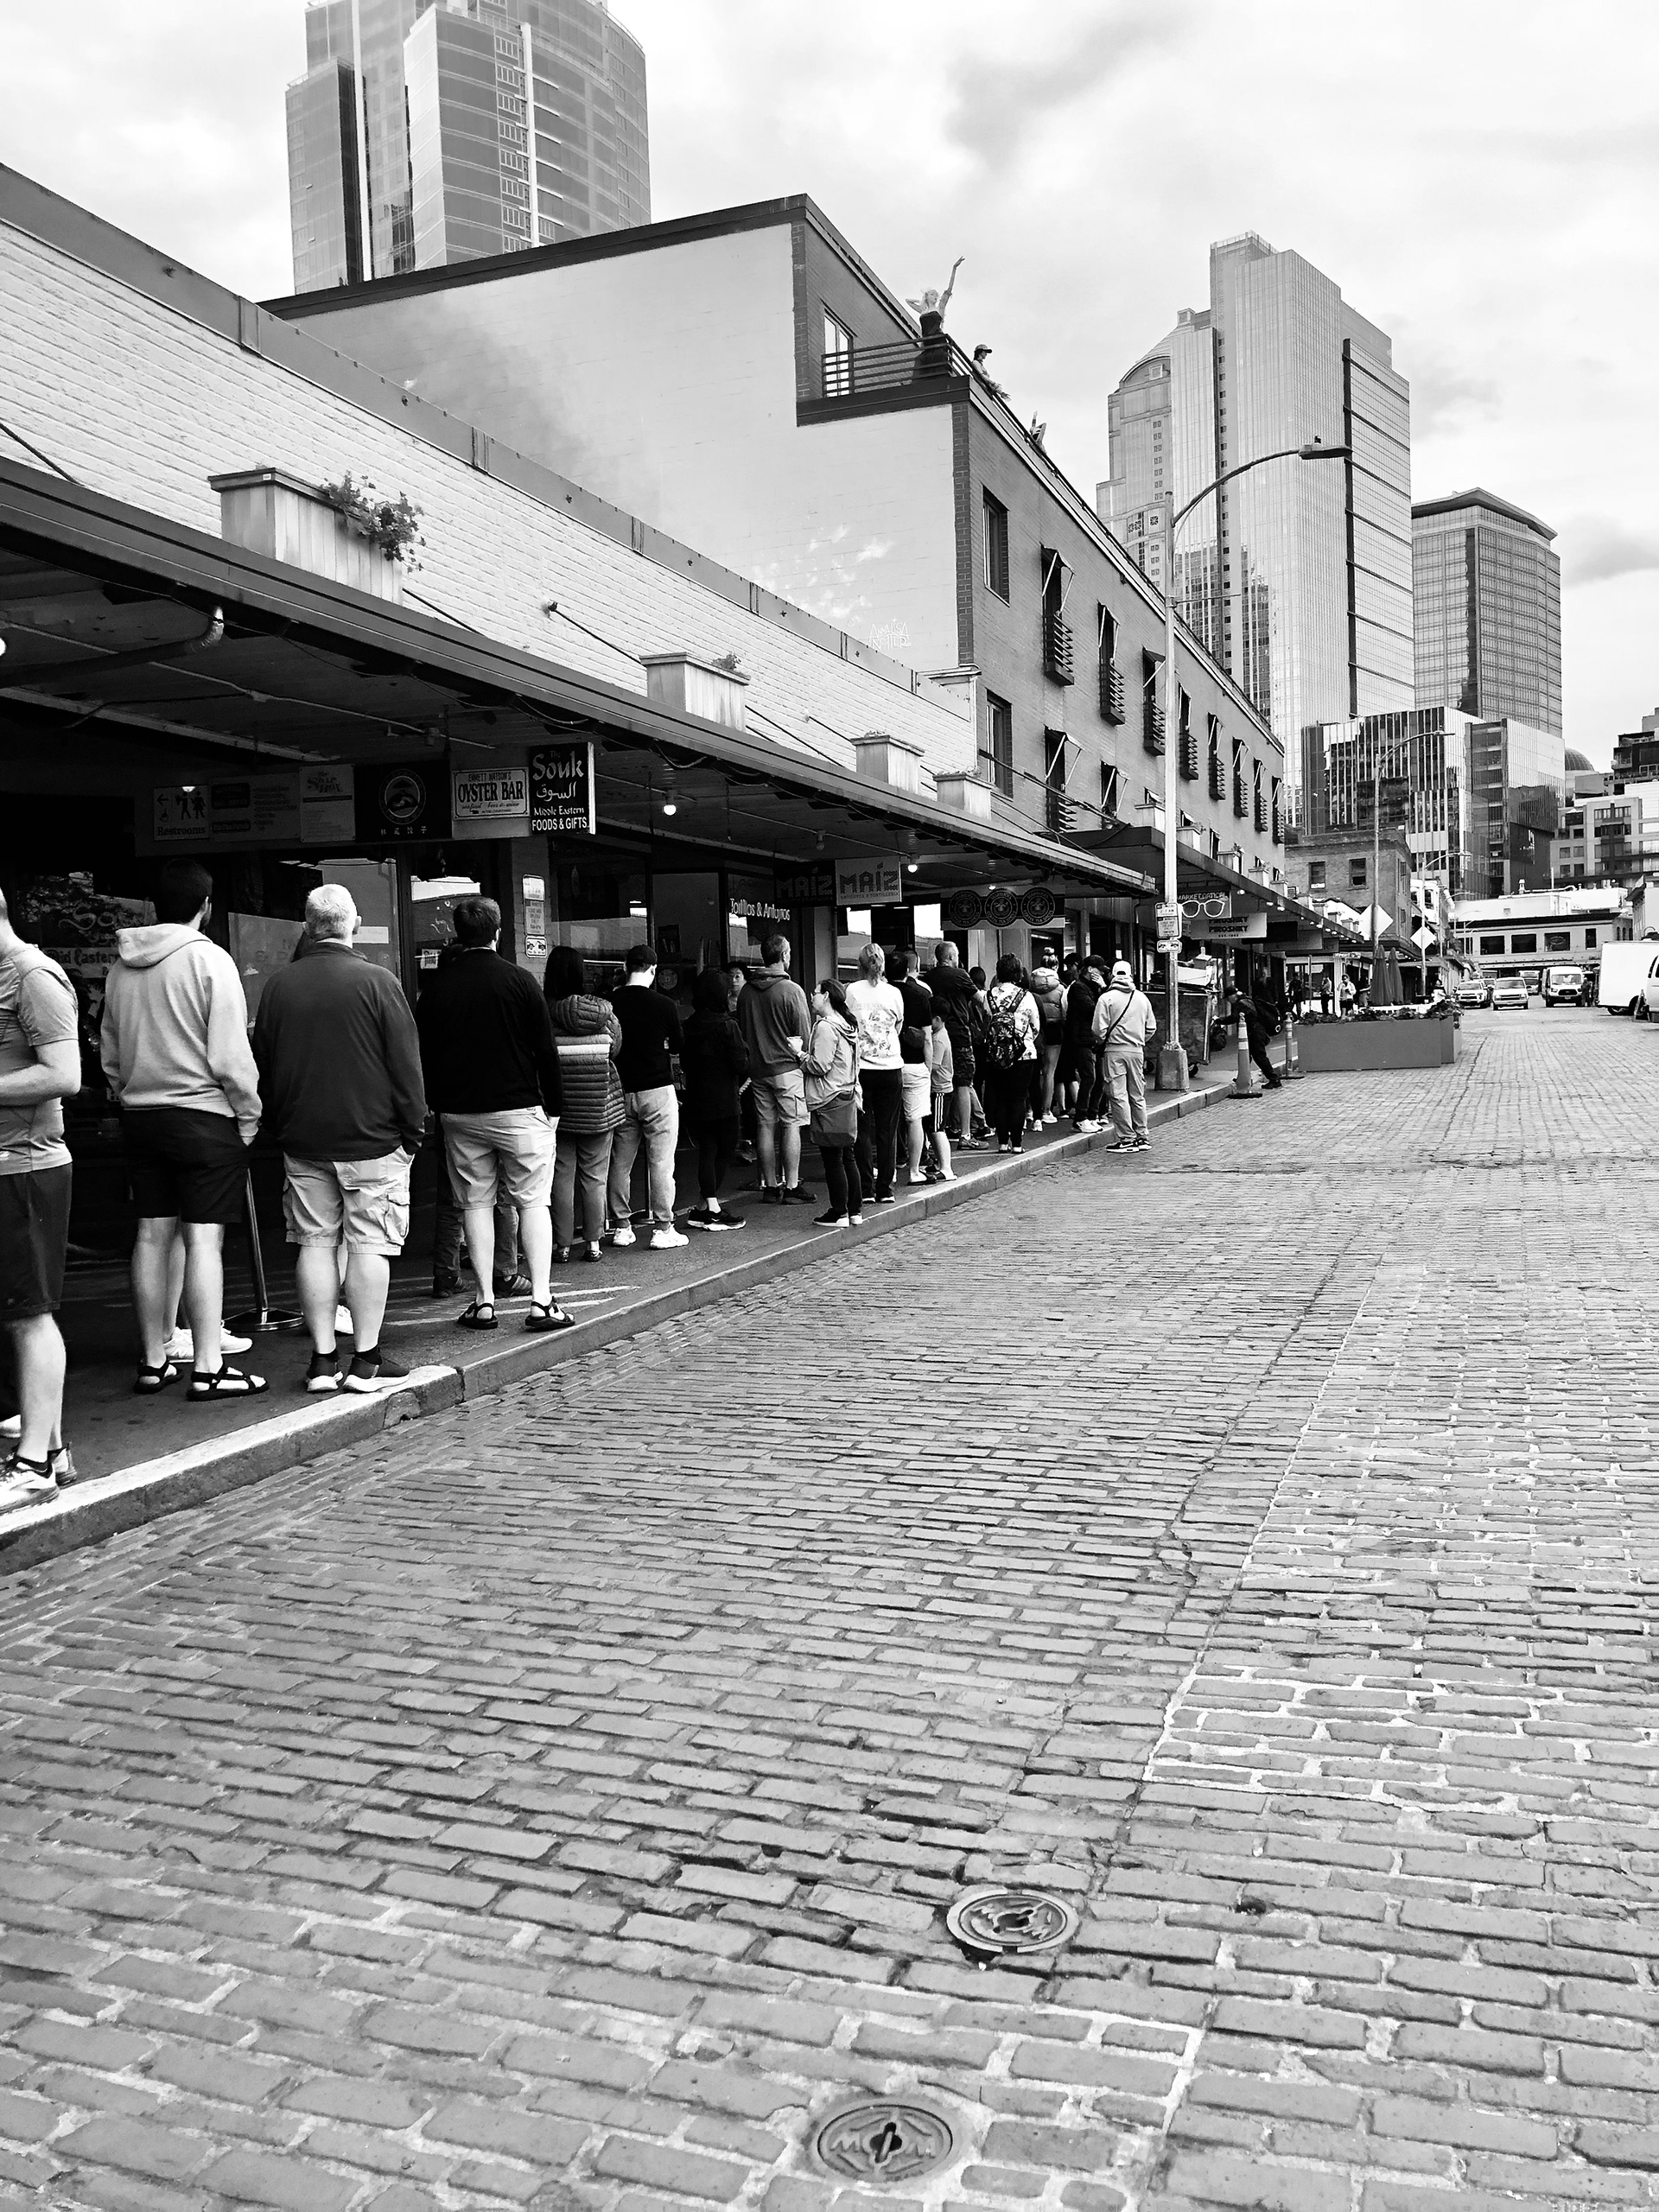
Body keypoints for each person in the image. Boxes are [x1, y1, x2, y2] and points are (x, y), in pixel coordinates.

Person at [100, 859, 264, 1402]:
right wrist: (248, 1114)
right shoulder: (210, 960)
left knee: (151, 1235)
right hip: (203, 1117)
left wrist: (131, 1093)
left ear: (153, 907)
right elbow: (230, 1056)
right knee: (204, 1241)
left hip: (141, 1117)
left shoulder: (122, 967)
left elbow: (111, 1054)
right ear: (207, 907)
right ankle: (210, 1366)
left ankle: (153, 1360)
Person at [251, 883, 426, 1393]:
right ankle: (367, 1361)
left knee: (314, 1243)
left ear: (307, 927)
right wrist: (412, 1134)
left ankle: (323, 1361)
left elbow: (266, 1065)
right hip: (373, 1138)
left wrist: (279, 1127)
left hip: (304, 1138)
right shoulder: (378, 982)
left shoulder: (278, 987)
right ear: (353, 926)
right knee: (371, 1245)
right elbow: (406, 1067)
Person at [415, 896, 570, 1332]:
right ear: (498, 932)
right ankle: (542, 1300)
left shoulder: (437, 989)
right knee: (532, 1201)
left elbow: (424, 1054)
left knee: (475, 1204)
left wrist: (438, 1102)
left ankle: (483, 1302)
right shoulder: (520, 982)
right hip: (520, 1109)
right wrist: (553, 1110)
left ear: (457, 934)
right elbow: (546, 1053)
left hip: (460, 1113)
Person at [0, 889, 81, 1503]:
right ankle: (50, 1448)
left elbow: (64, 1074)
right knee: (18, 1311)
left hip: (24, 1167)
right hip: (8, 1166)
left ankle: (35, 1467)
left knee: (30, 1312)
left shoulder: (32, 975)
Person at [429, 938, 524, 1299]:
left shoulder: (438, 997)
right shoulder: (501, 991)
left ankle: (446, 1273)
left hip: (449, 1108)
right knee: (499, 1195)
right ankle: (504, 1271)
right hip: (495, 1106)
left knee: (450, 1197)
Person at [543, 944, 624, 1265]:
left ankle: (562, 1245)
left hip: (560, 1110)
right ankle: (593, 1243)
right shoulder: (604, 1014)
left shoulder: (545, 1014)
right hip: (598, 1107)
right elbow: (616, 1048)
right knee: (594, 1177)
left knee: (561, 1177)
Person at [608, 945, 688, 1249]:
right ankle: (664, 1227)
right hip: (657, 1090)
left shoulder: (610, 1003)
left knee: (620, 1163)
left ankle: (621, 1226)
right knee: (661, 1162)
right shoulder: (664, 1004)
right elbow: (679, 1044)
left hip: (621, 1090)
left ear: (626, 967)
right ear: (653, 971)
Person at [734, 935, 814, 1205]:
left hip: (757, 1070)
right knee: (791, 1125)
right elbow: (803, 1034)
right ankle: (791, 1186)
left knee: (765, 1127)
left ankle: (769, 1185)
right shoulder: (792, 991)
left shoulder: (746, 992)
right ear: (785, 955)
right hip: (788, 1068)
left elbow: (742, 1032)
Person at [679, 965, 750, 1230]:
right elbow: (741, 1065)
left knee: (707, 1151)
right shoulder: (728, 1026)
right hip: (725, 1100)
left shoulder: (689, 1025)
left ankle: (702, 1206)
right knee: (724, 1151)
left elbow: (684, 1061)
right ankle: (712, 1206)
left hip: (697, 1098)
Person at [798, 977, 862, 1227]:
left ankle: (839, 1212)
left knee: (832, 1158)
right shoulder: (847, 1025)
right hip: (846, 1094)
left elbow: (820, 1065)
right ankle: (855, 1210)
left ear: (826, 996)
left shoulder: (825, 1027)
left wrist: (799, 1054)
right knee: (848, 1156)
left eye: (815, 993)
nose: (811, 997)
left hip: (827, 1097)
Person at [846, 944, 906, 1205]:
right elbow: (899, 1024)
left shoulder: (851, 991)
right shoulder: (894, 993)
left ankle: (866, 1188)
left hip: (861, 1069)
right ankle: (886, 1189)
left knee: (861, 1131)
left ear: (859, 965)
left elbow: (847, 1022)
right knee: (887, 1131)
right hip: (890, 1066)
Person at [1094, 959, 1160, 1151]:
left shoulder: (1106, 999)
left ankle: (1127, 1139)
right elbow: (1151, 1027)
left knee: (1118, 1095)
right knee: (1137, 1095)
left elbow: (1098, 1030)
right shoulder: (1141, 998)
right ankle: (1142, 1136)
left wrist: (1105, 1040)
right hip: (1137, 1051)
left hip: (1114, 1051)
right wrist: (1139, 1039)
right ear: (1131, 974)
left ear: (1112, 975)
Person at [981, 954, 1040, 1152]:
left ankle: (1002, 1142)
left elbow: (985, 1023)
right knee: (1018, 1098)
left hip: (995, 1054)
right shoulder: (1026, 996)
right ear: (1019, 974)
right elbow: (1035, 1026)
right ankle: (1017, 1144)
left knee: (1000, 1097)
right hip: (1023, 1054)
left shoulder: (988, 997)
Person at [928, 942, 982, 1146]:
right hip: (959, 1035)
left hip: (934, 1035)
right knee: (962, 1083)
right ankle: (965, 1134)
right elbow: (978, 999)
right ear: (951, 956)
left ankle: (941, 1128)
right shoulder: (960, 975)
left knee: (937, 1084)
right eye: (957, 955)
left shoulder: (929, 978)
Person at [894, 949, 934, 1185]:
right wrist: (928, 1067)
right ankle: (914, 1170)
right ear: (910, 969)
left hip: (885, 1064)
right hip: (914, 1063)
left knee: (888, 1121)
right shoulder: (920, 995)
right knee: (915, 1119)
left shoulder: (884, 993)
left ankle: (889, 1169)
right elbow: (927, 1037)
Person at [1066, 957, 1107, 1132]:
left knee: (1099, 1079)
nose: (1102, 974)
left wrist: (1101, 988)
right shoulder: (1078, 988)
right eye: (1100, 970)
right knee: (1089, 1077)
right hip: (1081, 1039)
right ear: (1090, 969)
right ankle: (1081, 1117)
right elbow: (1094, 1010)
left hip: (1092, 1039)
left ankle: (1092, 1115)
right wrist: (1103, 989)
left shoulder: (1091, 988)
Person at [1030, 958, 1065, 1126]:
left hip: (1036, 1032)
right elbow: (1065, 1010)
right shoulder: (1060, 989)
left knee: (1034, 1072)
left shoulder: (1030, 989)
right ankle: (1046, 1110)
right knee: (1049, 1071)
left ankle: (1030, 1109)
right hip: (1055, 1031)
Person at [1235, 973, 1283, 1092]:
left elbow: (1237, 1017)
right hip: (1257, 1030)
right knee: (1248, 1055)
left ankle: (1274, 1079)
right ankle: (1243, 1076)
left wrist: (1221, 1020)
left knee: (1259, 1056)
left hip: (1256, 1032)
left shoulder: (1244, 1004)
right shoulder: (1250, 1001)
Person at [927, 1010, 956, 1182]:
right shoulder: (942, 1034)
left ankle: (946, 1168)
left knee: (938, 1129)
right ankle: (940, 1164)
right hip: (940, 1088)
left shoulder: (938, 1039)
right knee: (934, 1128)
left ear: (938, 1019)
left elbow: (935, 1066)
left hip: (940, 1089)